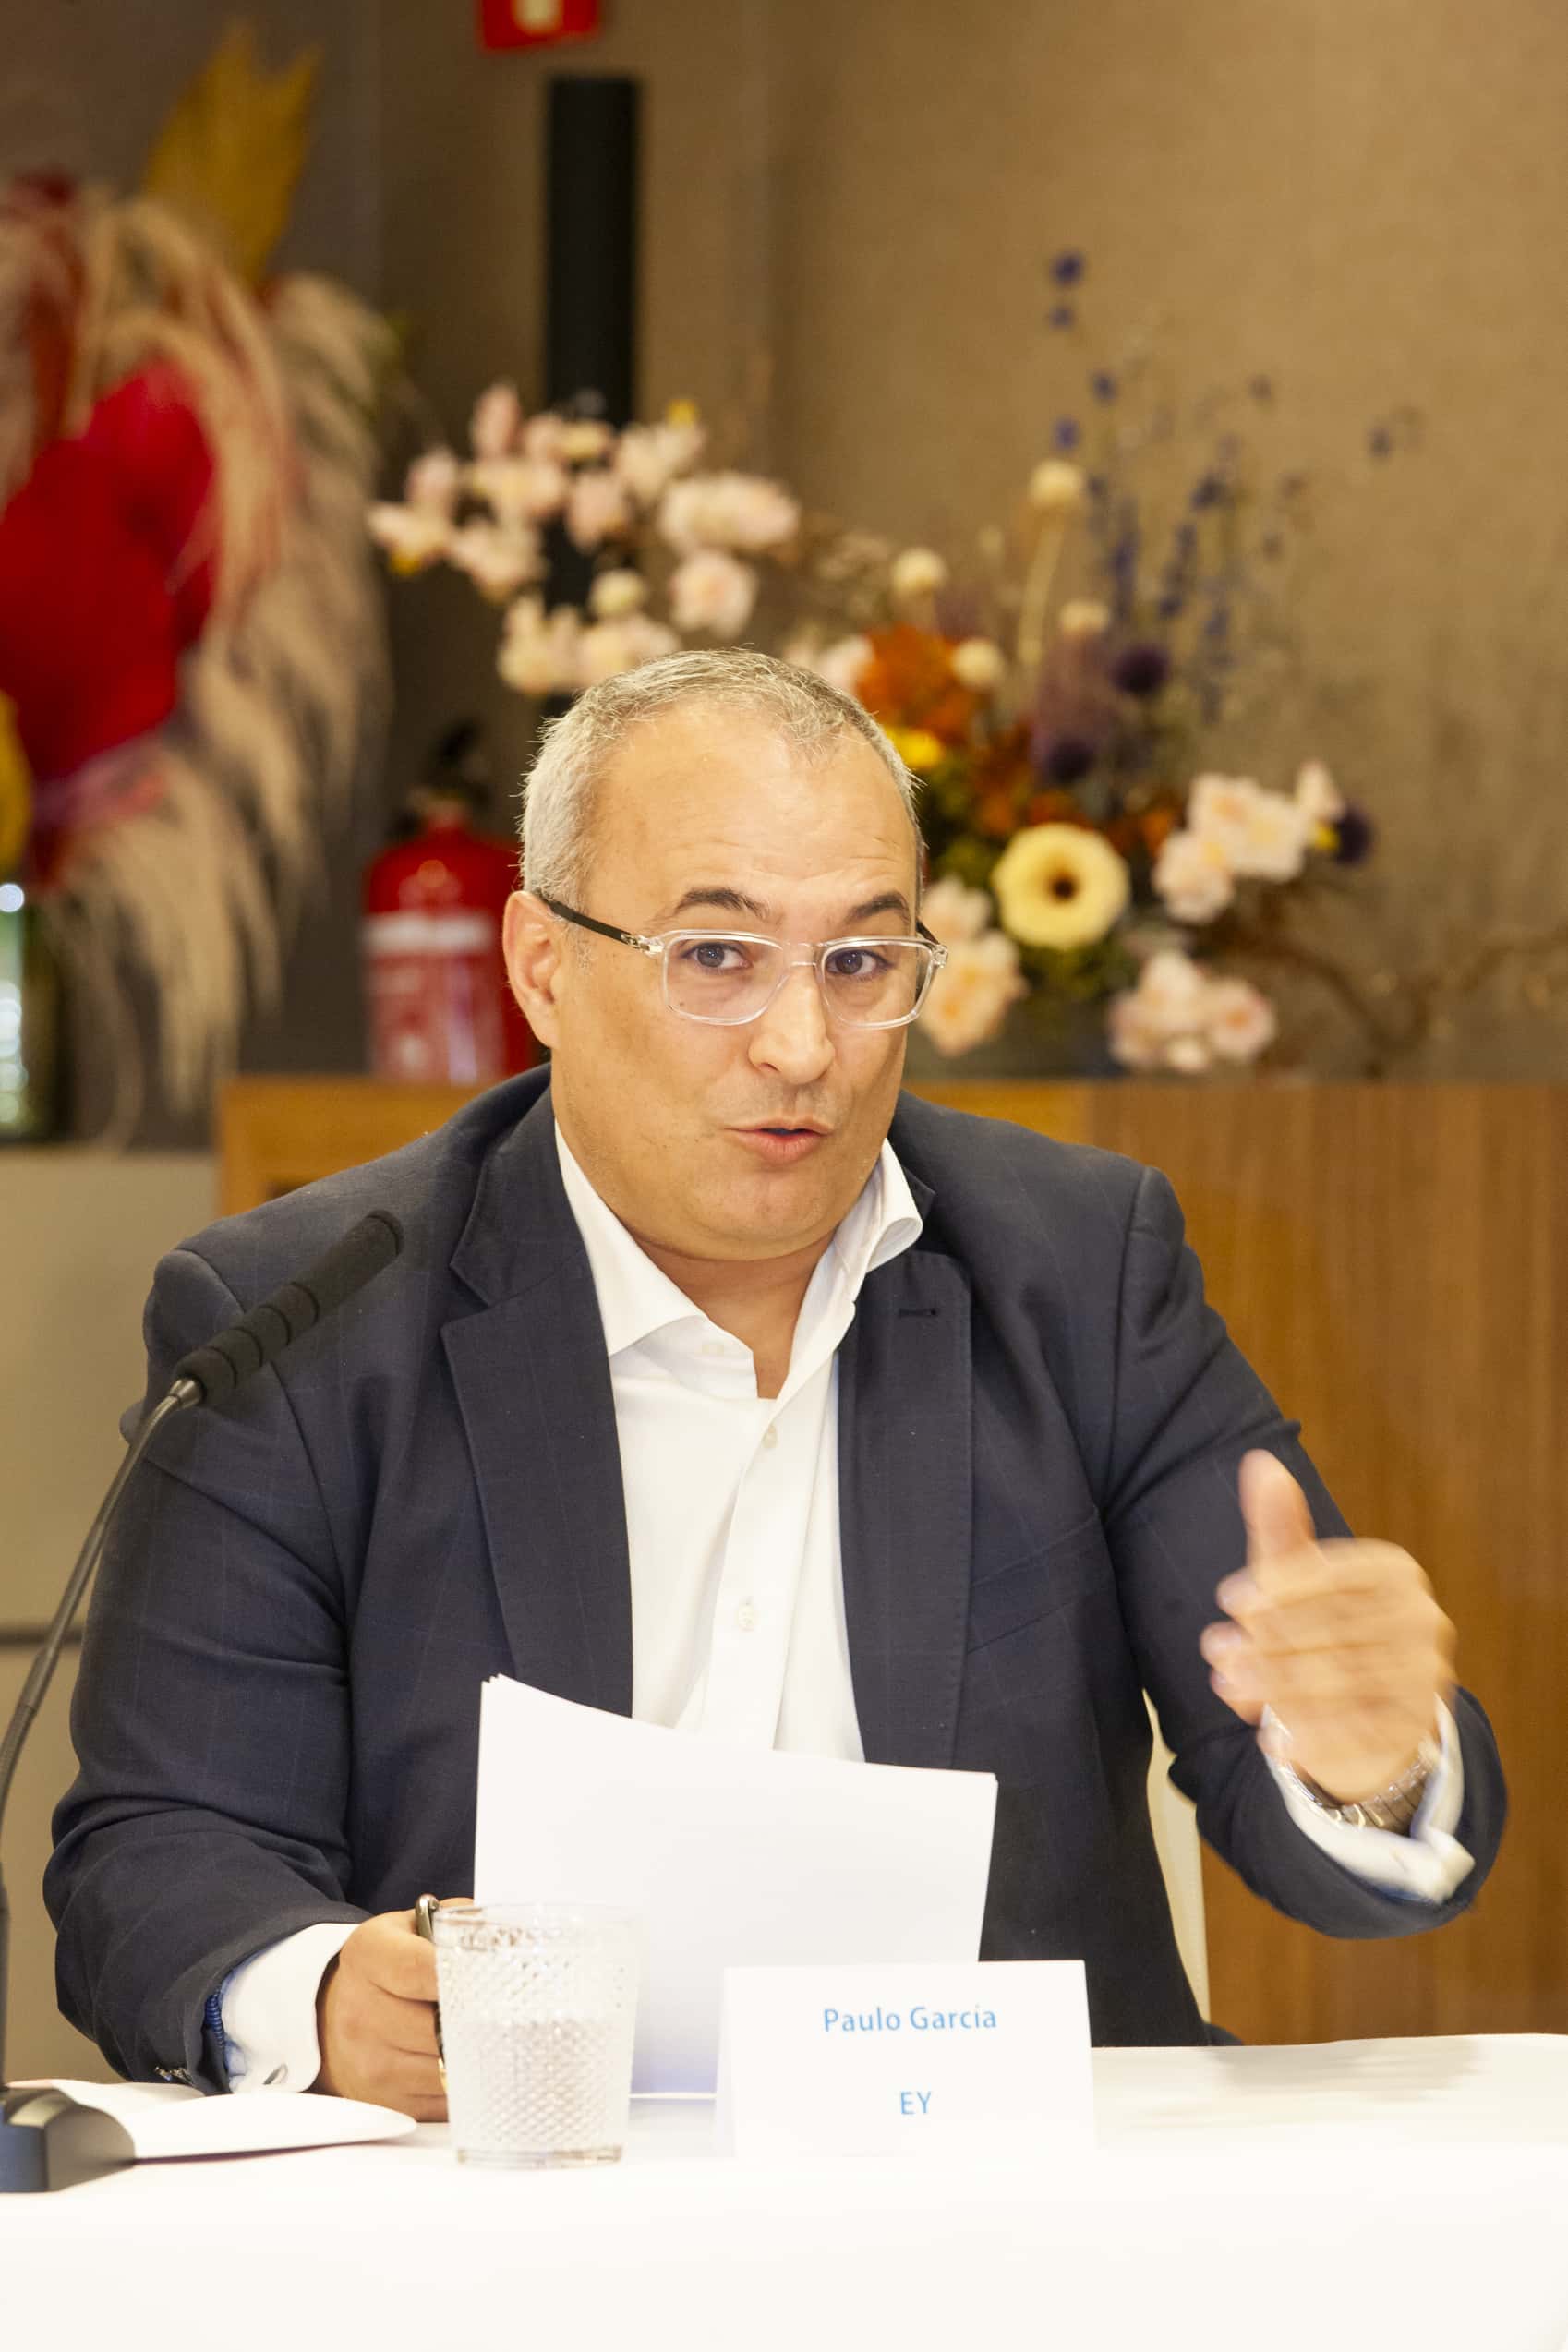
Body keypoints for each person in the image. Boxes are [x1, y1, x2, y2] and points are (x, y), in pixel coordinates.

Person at [48, 651, 1504, 2116]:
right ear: (542, 967)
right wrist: (317, 1993)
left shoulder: (1076, 1270)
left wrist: (1366, 1759)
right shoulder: (306, 1317)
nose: (803, 1046)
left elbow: (1328, 1820)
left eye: (861, 963)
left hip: (1001, 2192)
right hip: (519, 2190)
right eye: (715, 957)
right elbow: (160, 1854)